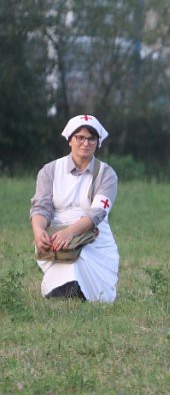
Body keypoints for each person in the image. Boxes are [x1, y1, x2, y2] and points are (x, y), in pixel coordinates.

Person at [30, 114, 120, 303]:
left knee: (93, 286)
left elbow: (97, 213)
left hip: (93, 237)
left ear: (97, 142)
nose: (85, 143)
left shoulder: (106, 174)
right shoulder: (50, 170)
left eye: (91, 138)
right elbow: (41, 207)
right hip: (57, 237)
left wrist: (70, 233)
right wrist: (39, 232)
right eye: (80, 137)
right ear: (70, 140)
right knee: (66, 272)